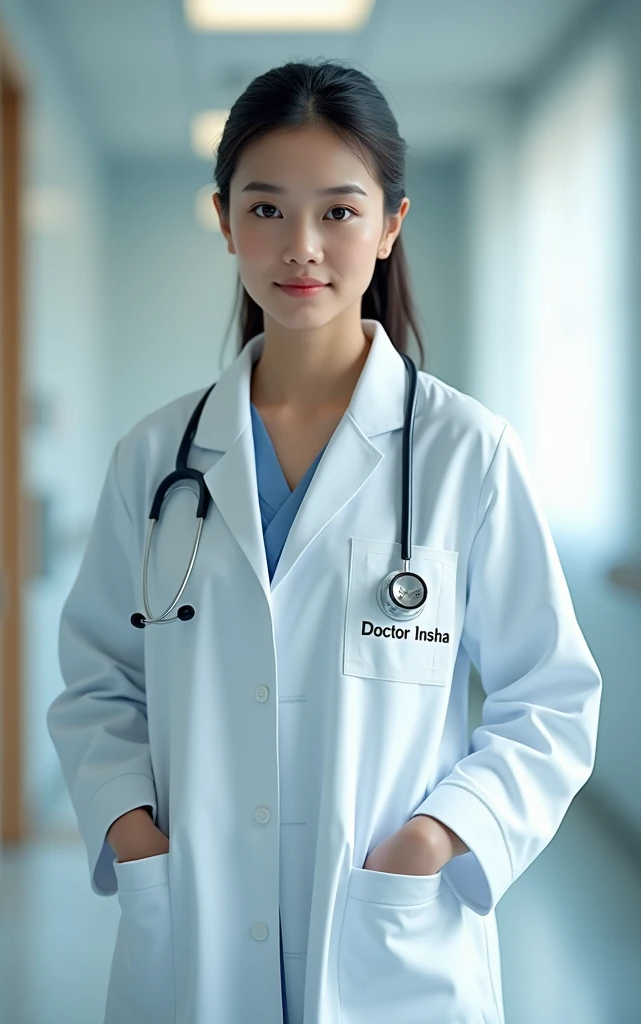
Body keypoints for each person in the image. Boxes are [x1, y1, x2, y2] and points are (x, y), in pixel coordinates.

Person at [46, 59, 603, 1024]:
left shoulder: (466, 453)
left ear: (390, 225)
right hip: (195, 932)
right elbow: (100, 682)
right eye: (265, 208)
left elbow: (549, 698)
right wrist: (135, 833)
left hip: (387, 933)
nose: (300, 246)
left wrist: (438, 835)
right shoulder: (155, 459)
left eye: (339, 211)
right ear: (224, 220)